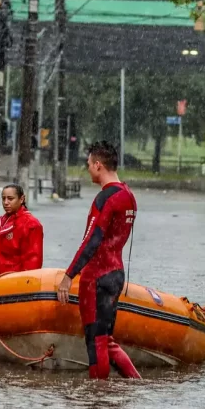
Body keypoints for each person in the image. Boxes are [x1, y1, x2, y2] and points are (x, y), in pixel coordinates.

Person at [57, 141, 141, 380]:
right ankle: (136, 384)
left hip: (96, 277)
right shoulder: (129, 196)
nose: (87, 169)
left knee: (95, 342)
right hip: (116, 274)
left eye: (88, 165)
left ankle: (97, 399)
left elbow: (91, 240)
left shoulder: (106, 198)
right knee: (106, 339)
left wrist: (69, 275)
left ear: (98, 165)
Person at [0, 183, 44, 281]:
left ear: (21, 199)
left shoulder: (31, 225)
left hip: (13, 283)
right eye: (3, 199)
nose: (6, 202)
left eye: (10, 199)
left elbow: (33, 261)